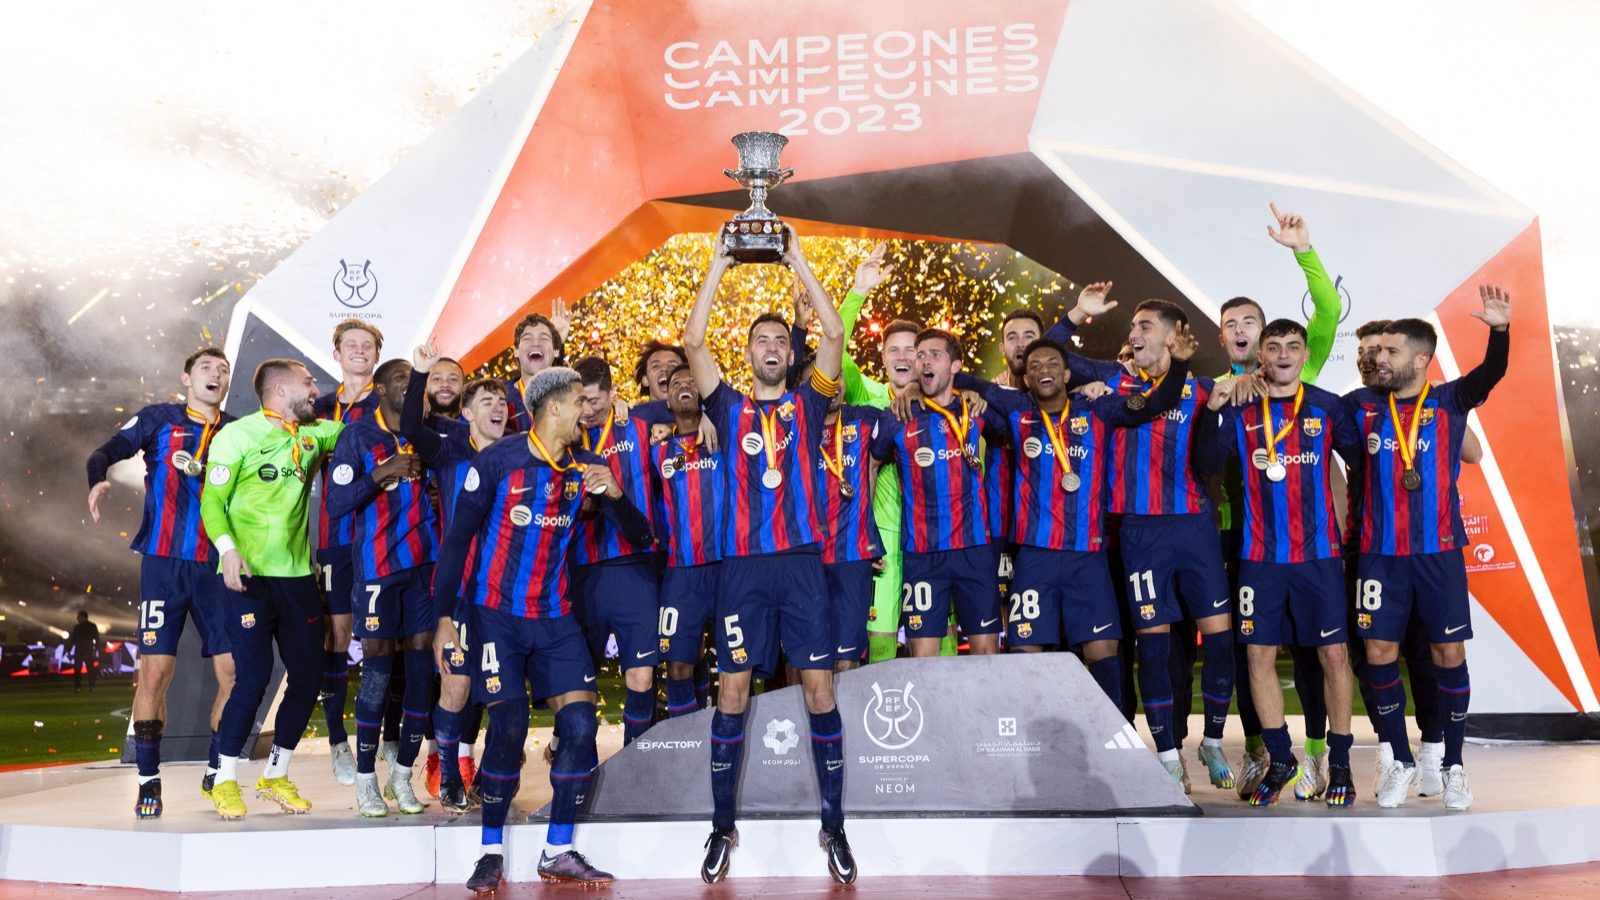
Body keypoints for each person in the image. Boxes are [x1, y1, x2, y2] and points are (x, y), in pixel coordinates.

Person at [684, 228, 856, 885]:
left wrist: (799, 262)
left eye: (781, 339)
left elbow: (834, 334)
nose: (773, 347)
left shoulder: (809, 404)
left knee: (819, 690)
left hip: (803, 564)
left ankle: (834, 826)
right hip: (743, 570)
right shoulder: (726, 406)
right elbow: (693, 342)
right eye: (762, 340)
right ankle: (721, 825)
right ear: (749, 351)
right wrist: (717, 266)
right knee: (732, 693)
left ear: (790, 352)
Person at [435, 367, 649, 890]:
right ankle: (490, 851)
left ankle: (558, 849)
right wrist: (443, 619)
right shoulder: (497, 461)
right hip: (496, 617)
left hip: (555, 618)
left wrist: (614, 494)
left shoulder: (587, 467)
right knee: (507, 728)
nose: (587, 411)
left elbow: (642, 536)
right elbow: (457, 541)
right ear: (553, 407)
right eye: (578, 402)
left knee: (580, 727)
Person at [955, 307, 1197, 704]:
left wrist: (1181, 364)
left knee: (1103, 651)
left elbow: (1157, 402)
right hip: (1035, 557)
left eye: (1053, 364)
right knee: (1025, 650)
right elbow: (961, 378)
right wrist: (915, 389)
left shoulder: (1099, 409)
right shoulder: (1016, 412)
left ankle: (1110, 735)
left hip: (1088, 557)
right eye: (1035, 366)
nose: (1044, 370)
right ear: (1026, 379)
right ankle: (1032, 733)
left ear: (1068, 374)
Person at [1051, 292, 1238, 791]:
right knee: (1152, 648)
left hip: (1194, 527)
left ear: (1173, 335)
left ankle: (1213, 740)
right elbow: (1049, 354)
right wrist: (1077, 313)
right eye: (1132, 326)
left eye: (1145, 326)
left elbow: (1213, 458)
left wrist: (1220, 409)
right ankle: (1169, 755)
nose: (1133, 333)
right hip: (1139, 532)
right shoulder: (1112, 381)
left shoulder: (1203, 388)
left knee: (1221, 641)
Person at [1347, 285, 1511, 810]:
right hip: (1379, 555)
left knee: (1448, 653)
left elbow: (1491, 373)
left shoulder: (1449, 400)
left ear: (1420, 359)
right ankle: (1399, 759)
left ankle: (1453, 765)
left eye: (1391, 351)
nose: (1380, 358)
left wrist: (1500, 331)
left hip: (1439, 554)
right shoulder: (1361, 406)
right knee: (1378, 653)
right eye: (1377, 350)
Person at [1205, 319, 1362, 807]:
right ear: (1262, 355)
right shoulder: (1240, 406)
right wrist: (1215, 405)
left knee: (1334, 656)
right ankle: (1279, 757)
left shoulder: (1326, 406)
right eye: (1274, 347)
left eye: (1294, 346)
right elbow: (1207, 463)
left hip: (1318, 557)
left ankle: (1339, 761)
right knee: (1257, 656)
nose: (1284, 354)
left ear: (1304, 354)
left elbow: (1361, 462)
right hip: (1259, 559)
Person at [1214, 205, 1342, 802]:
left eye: (1251, 321)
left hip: (1307, 539)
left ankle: (1316, 754)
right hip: (1241, 536)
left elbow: (1327, 314)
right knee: (1251, 650)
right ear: (1226, 338)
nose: (1242, 330)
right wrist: (1224, 391)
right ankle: (1261, 750)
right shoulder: (1221, 391)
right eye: (1232, 324)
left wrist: (1303, 251)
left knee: (1316, 652)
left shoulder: (1300, 368)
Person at [86, 346, 239, 816]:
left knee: (235, 675)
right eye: (206, 368)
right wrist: (96, 478)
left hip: (218, 565)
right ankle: (148, 781)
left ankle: (218, 769)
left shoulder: (238, 431)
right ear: (186, 378)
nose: (216, 374)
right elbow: (105, 451)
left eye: (223, 369)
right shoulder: (158, 419)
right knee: (154, 673)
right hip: (163, 565)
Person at [198, 358, 344, 819]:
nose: (315, 389)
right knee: (254, 678)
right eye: (308, 382)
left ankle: (275, 775)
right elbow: (212, 501)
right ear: (280, 389)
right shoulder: (236, 436)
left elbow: (365, 435)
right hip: (248, 576)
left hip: (298, 579)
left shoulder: (316, 434)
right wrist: (227, 550)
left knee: (308, 679)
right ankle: (224, 780)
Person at [830, 245, 956, 662]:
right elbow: (835, 349)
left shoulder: (947, 403)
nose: (903, 357)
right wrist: (857, 293)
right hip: (882, 539)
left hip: (933, 537)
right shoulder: (866, 393)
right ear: (882, 357)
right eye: (894, 350)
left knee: (940, 642)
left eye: (912, 350)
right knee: (879, 642)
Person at [401, 341, 508, 812]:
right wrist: (420, 373)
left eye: (502, 401)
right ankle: (448, 775)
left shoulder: (520, 453)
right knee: (457, 684)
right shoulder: (448, 450)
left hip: (506, 593)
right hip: (459, 591)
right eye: (486, 401)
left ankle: (485, 772)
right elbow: (410, 426)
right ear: (466, 413)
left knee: (499, 690)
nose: (497, 407)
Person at [325, 359, 434, 817]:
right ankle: (366, 780)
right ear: (381, 390)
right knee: (378, 673)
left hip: (424, 566)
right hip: (376, 569)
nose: (410, 386)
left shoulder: (428, 433)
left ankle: (403, 775)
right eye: (400, 379)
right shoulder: (357, 436)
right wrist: (382, 471)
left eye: (414, 379)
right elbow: (336, 503)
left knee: (421, 674)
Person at [871, 328, 1002, 657]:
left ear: (956, 366)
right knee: (923, 659)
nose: (925, 361)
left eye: (935, 355)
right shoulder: (898, 415)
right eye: (921, 355)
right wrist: (866, 531)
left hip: (974, 550)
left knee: (987, 655)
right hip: (923, 554)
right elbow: (870, 465)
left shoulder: (977, 411)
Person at [569, 356, 664, 745]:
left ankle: (635, 761)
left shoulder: (639, 422)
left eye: (595, 400)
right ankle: (575, 758)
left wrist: (704, 421)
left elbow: (692, 402)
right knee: (580, 680)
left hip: (635, 567)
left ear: (612, 394)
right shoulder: (565, 436)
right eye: (581, 401)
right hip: (582, 569)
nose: (588, 410)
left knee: (641, 675)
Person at [310, 319, 383, 786]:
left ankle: (387, 737)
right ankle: (338, 740)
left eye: (367, 345)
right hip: (334, 537)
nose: (359, 351)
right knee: (336, 636)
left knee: (384, 639)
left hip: (382, 537)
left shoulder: (388, 403)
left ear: (377, 354)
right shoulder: (317, 408)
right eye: (350, 345)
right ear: (336, 354)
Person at [650, 364, 725, 711]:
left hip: (727, 568)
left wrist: (713, 413)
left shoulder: (725, 438)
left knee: (736, 664)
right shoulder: (657, 451)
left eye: (693, 382)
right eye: (676, 382)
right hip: (680, 572)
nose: (684, 385)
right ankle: (687, 734)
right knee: (678, 663)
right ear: (666, 400)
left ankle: (732, 733)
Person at [501, 300, 570, 433]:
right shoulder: (500, 396)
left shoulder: (569, 395)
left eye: (544, 338)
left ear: (556, 351)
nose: (536, 343)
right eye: (527, 338)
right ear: (516, 351)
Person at [68, 611, 100, 693]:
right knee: (90, 669)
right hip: (87, 650)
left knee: (78, 670)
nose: (77, 618)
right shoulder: (92, 626)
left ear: (83, 617)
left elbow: (73, 640)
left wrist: (68, 650)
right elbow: (97, 638)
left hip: (80, 651)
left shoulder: (77, 627)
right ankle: (92, 687)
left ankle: (78, 688)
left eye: (78, 616)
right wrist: (96, 649)